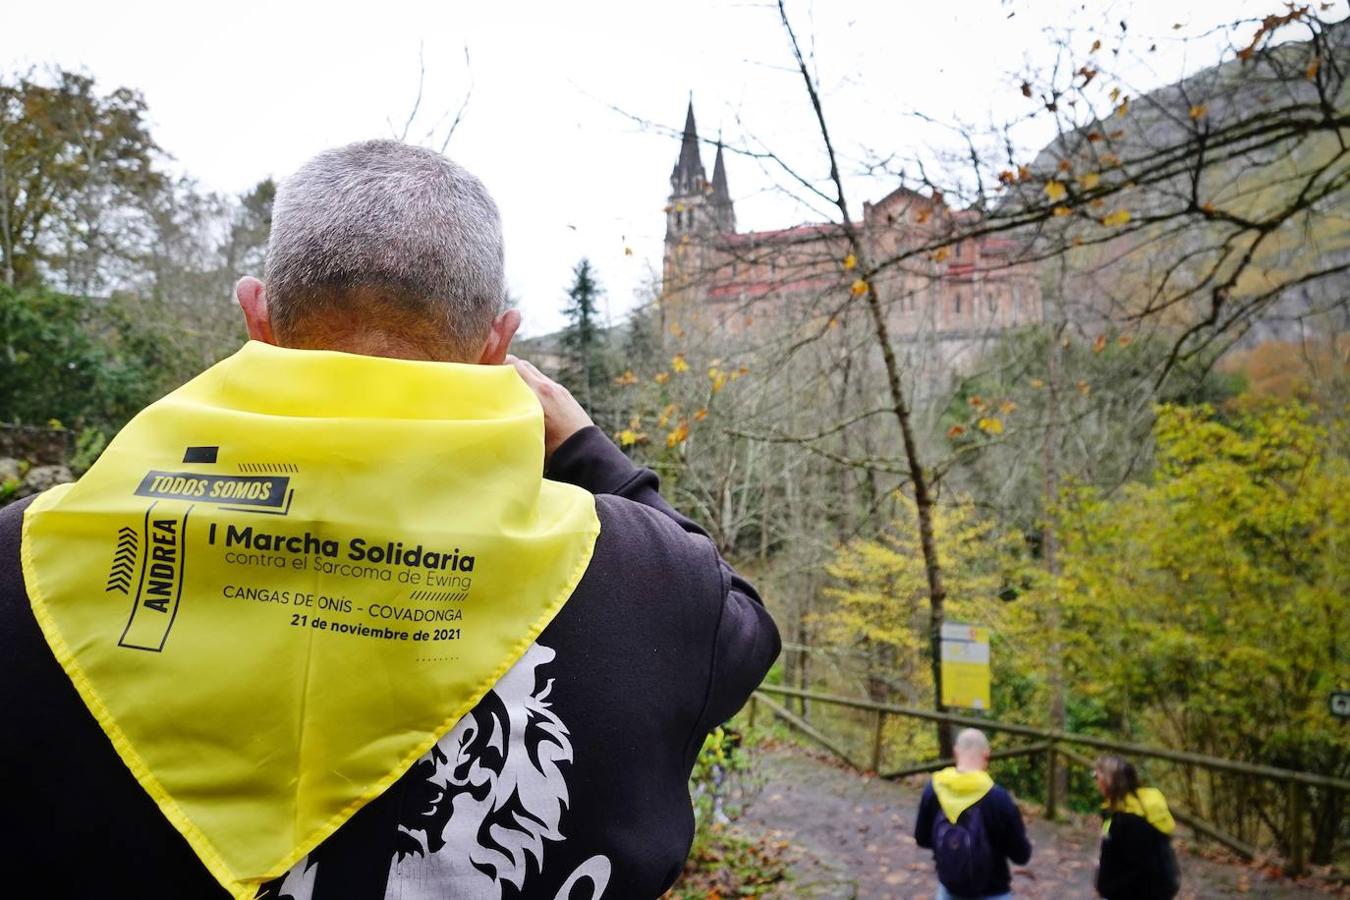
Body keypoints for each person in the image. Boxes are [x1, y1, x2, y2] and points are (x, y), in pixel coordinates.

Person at [0, 140, 780, 900]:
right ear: (498, 346)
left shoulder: (29, 555)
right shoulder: (653, 584)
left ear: (256, 316)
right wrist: (585, 449)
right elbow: (744, 629)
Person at [914, 728, 1033, 900]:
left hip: (950, 889)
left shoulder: (933, 789)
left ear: (956, 752)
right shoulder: (998, 798)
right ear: (987, 755)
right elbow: (1021, 856)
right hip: (993, 891)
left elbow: (922, 838)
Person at [1094, 755, 1181, 899]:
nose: (1096, 781)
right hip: (1162, 886)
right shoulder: (1147, 806)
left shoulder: (1125, 820)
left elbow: (1130, 867)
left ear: (1107, 781)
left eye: (1096, 775)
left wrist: (1105, 888)